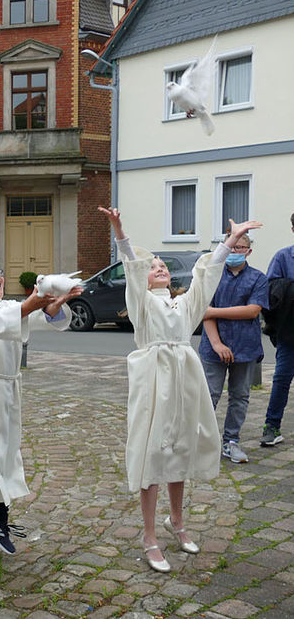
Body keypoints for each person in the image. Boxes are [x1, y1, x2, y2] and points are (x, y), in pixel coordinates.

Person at [99, 207, 261, 573]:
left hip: (184, 379)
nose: (159, 268)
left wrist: (229, 241)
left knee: (179, 451)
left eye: (163, 266)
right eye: (153, 265)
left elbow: (207, 276)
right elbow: (131, 264)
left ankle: (178, 521)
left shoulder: (183, 303)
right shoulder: (140, 303)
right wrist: (120, 231)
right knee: (152, 453)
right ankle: (150, 536)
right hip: (153, 383)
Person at [0, 255, 80, 569]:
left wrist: (54, 302)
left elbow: (38, 319)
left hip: (7, 389)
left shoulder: (7, 305)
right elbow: (0, 323)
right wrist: (32, 303)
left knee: (5, 454)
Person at [198, 233, 269, 463]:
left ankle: (231, 442)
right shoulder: (212, 276)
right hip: (213, 347)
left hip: (245, 348)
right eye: (233, 247)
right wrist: (217, 343)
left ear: (248, 251)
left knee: (240, 396)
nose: (236, 251)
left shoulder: (258, 278)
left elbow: (252, 311)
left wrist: (214, 312)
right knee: (209, 395)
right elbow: (203, 312)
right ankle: (201, 442)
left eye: (241, 247)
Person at [261, 212, 294, 447]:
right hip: (289, 333)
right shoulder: (283, 257)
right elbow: (271, 293)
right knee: (281, 378)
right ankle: (271, 426)